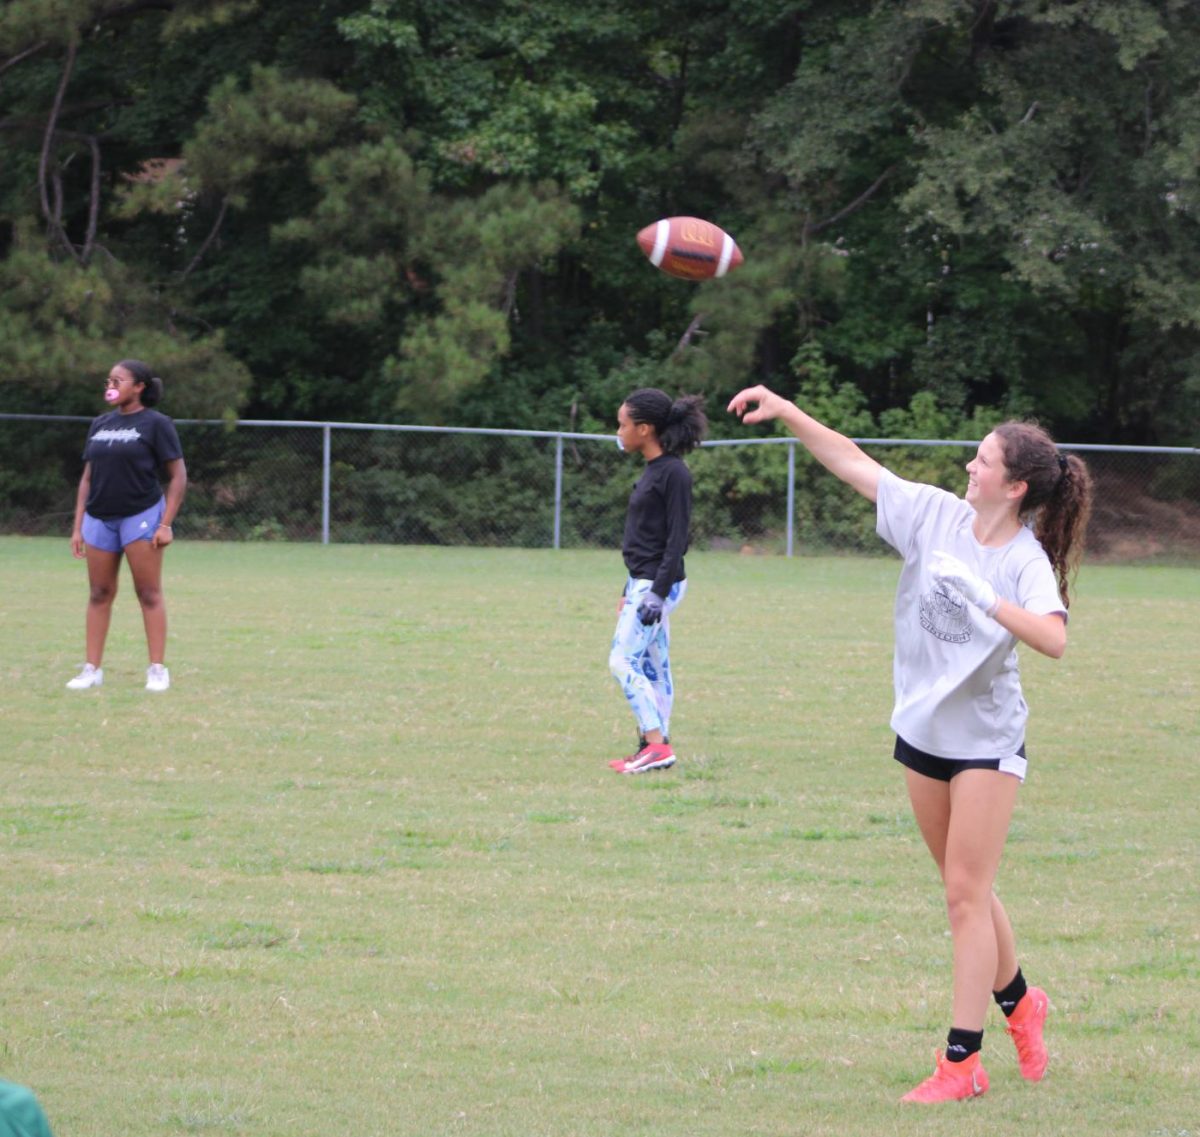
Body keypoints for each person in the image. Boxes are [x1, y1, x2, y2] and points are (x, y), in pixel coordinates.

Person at [726, 384, 1093, 1103]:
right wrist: (788, 410)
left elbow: (1054, 637)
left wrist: (987, 598)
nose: (969, 466)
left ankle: (962, 1063)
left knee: (965, 893)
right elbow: (854, 463)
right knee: (968, 891)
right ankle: (1022, 1003)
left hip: (986, 740)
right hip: (921, 729)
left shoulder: (1023, 558)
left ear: (1014, 486)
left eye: (983, 461)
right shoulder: (933, 515)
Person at [67, 359, 187, 692]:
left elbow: (178, 476)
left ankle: (157, 669)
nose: (112, 384)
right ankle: (91, 669)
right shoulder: (100, 423)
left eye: (119, 380)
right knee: (99, 592)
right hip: (99, 518)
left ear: (139, 387)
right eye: (110, 380)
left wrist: (166, 524)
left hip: (141, 515)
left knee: (148, 592)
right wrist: (78, 526)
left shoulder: (156, 424)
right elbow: (87, 478)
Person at [607, 388, 707, 774]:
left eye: (623, 424)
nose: (619, 431)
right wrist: (627, 588)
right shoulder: (652, 471)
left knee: (621, 660)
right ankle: (656, 744)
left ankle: (655, 744)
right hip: (643, 583)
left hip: (656, 585)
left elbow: (676, 540)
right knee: (654, 666)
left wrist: (655, 594)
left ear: (645, 429)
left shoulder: (674, 473)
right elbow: (645, 540)